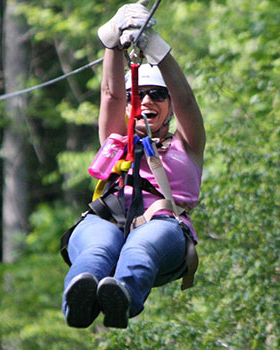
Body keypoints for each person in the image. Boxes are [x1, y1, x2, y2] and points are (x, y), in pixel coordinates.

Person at [59, 4, 205, 329]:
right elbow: (110, 94)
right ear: (128, 104)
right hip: (106, 220)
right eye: (138, 95)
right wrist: (111, 43)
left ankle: (122, 296)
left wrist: (159, 51)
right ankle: (79, 298)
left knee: (143, 245)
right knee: (98, 249)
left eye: (157, 95)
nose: (147, 101)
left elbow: (187, 102)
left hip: (164, 226)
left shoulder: (187, 145)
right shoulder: (115, 138)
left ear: (168, 107)